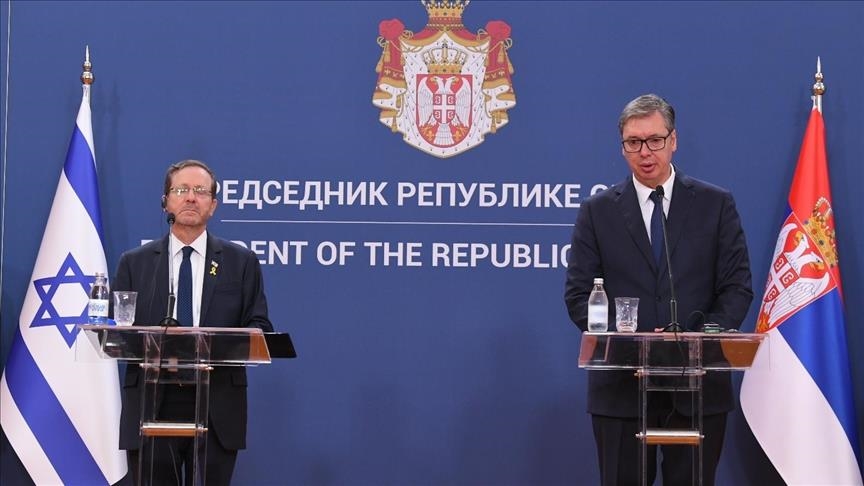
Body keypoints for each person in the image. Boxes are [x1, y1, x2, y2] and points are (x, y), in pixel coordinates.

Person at [564, 94, 753, 485]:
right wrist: (625, 336)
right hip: (622, 389)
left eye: (654, 140)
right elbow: (579, 295)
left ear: (673, 140)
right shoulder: (597, 211)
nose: (645, 152)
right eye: (634, 142)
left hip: (697, 386)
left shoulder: (715, 204)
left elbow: (736, 286)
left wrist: (703, 337)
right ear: (622, 147)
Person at [112, 159, 273, 485]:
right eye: (181, 190)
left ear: (213, 205)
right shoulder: (135, 263)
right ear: (165, 202)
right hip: (152, 401)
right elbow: (119, 330)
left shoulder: (240, 262)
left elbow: (260, 326)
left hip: (216, 402)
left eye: (200, 191)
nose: (190, 197)